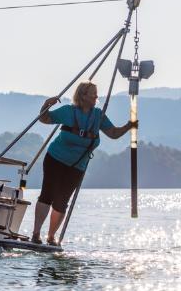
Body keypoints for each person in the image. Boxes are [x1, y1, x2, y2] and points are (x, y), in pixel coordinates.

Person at [31, 81, 138, 245]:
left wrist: (129, 126)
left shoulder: (98, 116)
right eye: (93, 93)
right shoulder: (68, 111)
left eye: (96, 93)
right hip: (56, 159)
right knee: (47, 195)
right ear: (82, 96)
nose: (96, 96)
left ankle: (51, 237)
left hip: (77, 166)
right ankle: (36, 234)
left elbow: (113, 133)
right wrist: (46, 104)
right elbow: (44, 119)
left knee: (62, 201)